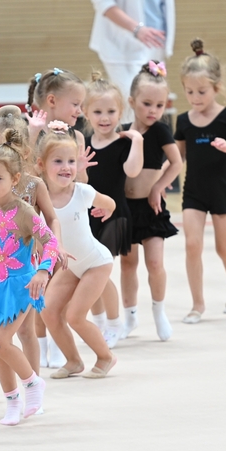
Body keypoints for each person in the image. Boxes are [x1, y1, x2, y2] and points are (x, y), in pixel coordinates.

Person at [0, 131, 58, 426]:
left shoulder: (23, 211)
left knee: (2, 339)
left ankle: (33, 383)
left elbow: (50, 242)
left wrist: (42, 270)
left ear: (15, 179)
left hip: (23, 285)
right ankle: (12, 401)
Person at [0, 107, 68, 388]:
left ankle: (33, 384)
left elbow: (50, 221)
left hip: (24, 261)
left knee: (26, 331)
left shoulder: (32, 184)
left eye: (9, 145)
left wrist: (53, 249)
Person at [175, 39, 226, 324]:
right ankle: (197, 304)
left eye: (201, 91)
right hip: (193, 191)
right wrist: (157, 181)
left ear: (217, 87)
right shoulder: (183, 120)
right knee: (192, 245)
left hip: (220, 191)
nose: (195, 97)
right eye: (189, 91)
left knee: (223, 247)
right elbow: (177, 157)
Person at [38, 121, 119, 379]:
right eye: (58, 161)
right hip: (70, 266)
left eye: (71, 161)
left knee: (75, 316)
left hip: (96, 262)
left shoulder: (82, 192)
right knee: (48, 311)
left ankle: (106, 357)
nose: (66, 167)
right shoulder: (40, 200)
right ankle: (73, 361)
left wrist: (105, 210)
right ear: (41, 165)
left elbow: (111, 203)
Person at [82, 72, 148, 347]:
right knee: (87, 271)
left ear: (121, 111)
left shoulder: (122, 144)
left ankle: (113, 322)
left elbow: (133, 170)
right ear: (86, 113)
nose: (105, 117)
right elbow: (80, 183)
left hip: (114, 215)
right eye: (97, 111)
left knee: (99, 271)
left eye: (111, 111)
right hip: (88, 216)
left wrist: (138, 141)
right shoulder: (83, 144)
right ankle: (99, 324)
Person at [120, 61, 182, 335]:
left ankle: (159, 311)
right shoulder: (123, 132)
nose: (154, 111)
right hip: (125, 209)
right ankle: (130, 315)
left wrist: (158, 187)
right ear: (132, 101)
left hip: (151, 207)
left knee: (155, 263)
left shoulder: (161, 131)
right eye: (147, 104)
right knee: (127, 263)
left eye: (160, 105)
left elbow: (177, 163)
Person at [89, 0, 175, 122]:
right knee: (132, 108)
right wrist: (137, 29)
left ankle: (150, 144)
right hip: (122, 48)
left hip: (156, 44)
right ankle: (130, 143)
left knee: (154, 105)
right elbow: (102, 0)